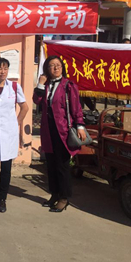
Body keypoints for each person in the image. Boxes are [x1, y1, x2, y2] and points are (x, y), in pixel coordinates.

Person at [33, 55, 86, 213]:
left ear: (62, 68)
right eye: (52, 65)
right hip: (48, 130)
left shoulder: (68, 85)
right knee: (50, 164)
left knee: (62, 165)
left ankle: (64, 197)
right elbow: (36, 100)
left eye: (58, 65)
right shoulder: (46, 85)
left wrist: (80, 126)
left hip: (62, 130)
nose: (55, 68)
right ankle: (54, 194)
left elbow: (76, 107)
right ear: (47, 69)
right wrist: (40, 84)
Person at [0, 58, 29, 213]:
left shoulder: (14, 87)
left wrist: (16, 123)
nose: (3, 72)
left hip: (9, 134)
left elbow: (25, 107)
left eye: (5, 68)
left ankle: (2, 199)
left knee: (6, 169)